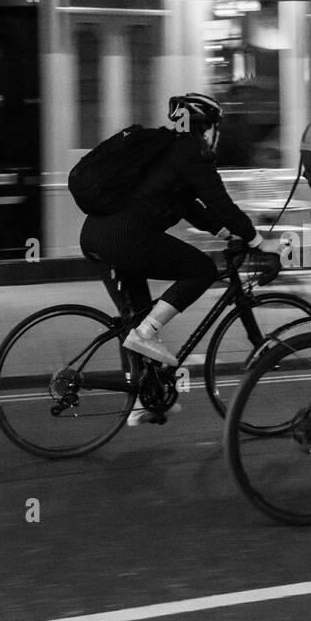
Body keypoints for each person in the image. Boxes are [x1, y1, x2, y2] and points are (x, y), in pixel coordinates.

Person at [79, 93, 274, 421]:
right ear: (206, 126)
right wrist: (258, 240)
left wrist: (228, 234)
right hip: (126, 238)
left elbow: (190, 206)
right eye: (215, 127)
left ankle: (144, 402)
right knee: (200, 270)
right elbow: (219, 202)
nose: (216, 135)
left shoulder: (166, 150)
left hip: (97, 236)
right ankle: (144, 335)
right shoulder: (191, 151)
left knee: (136, 316)